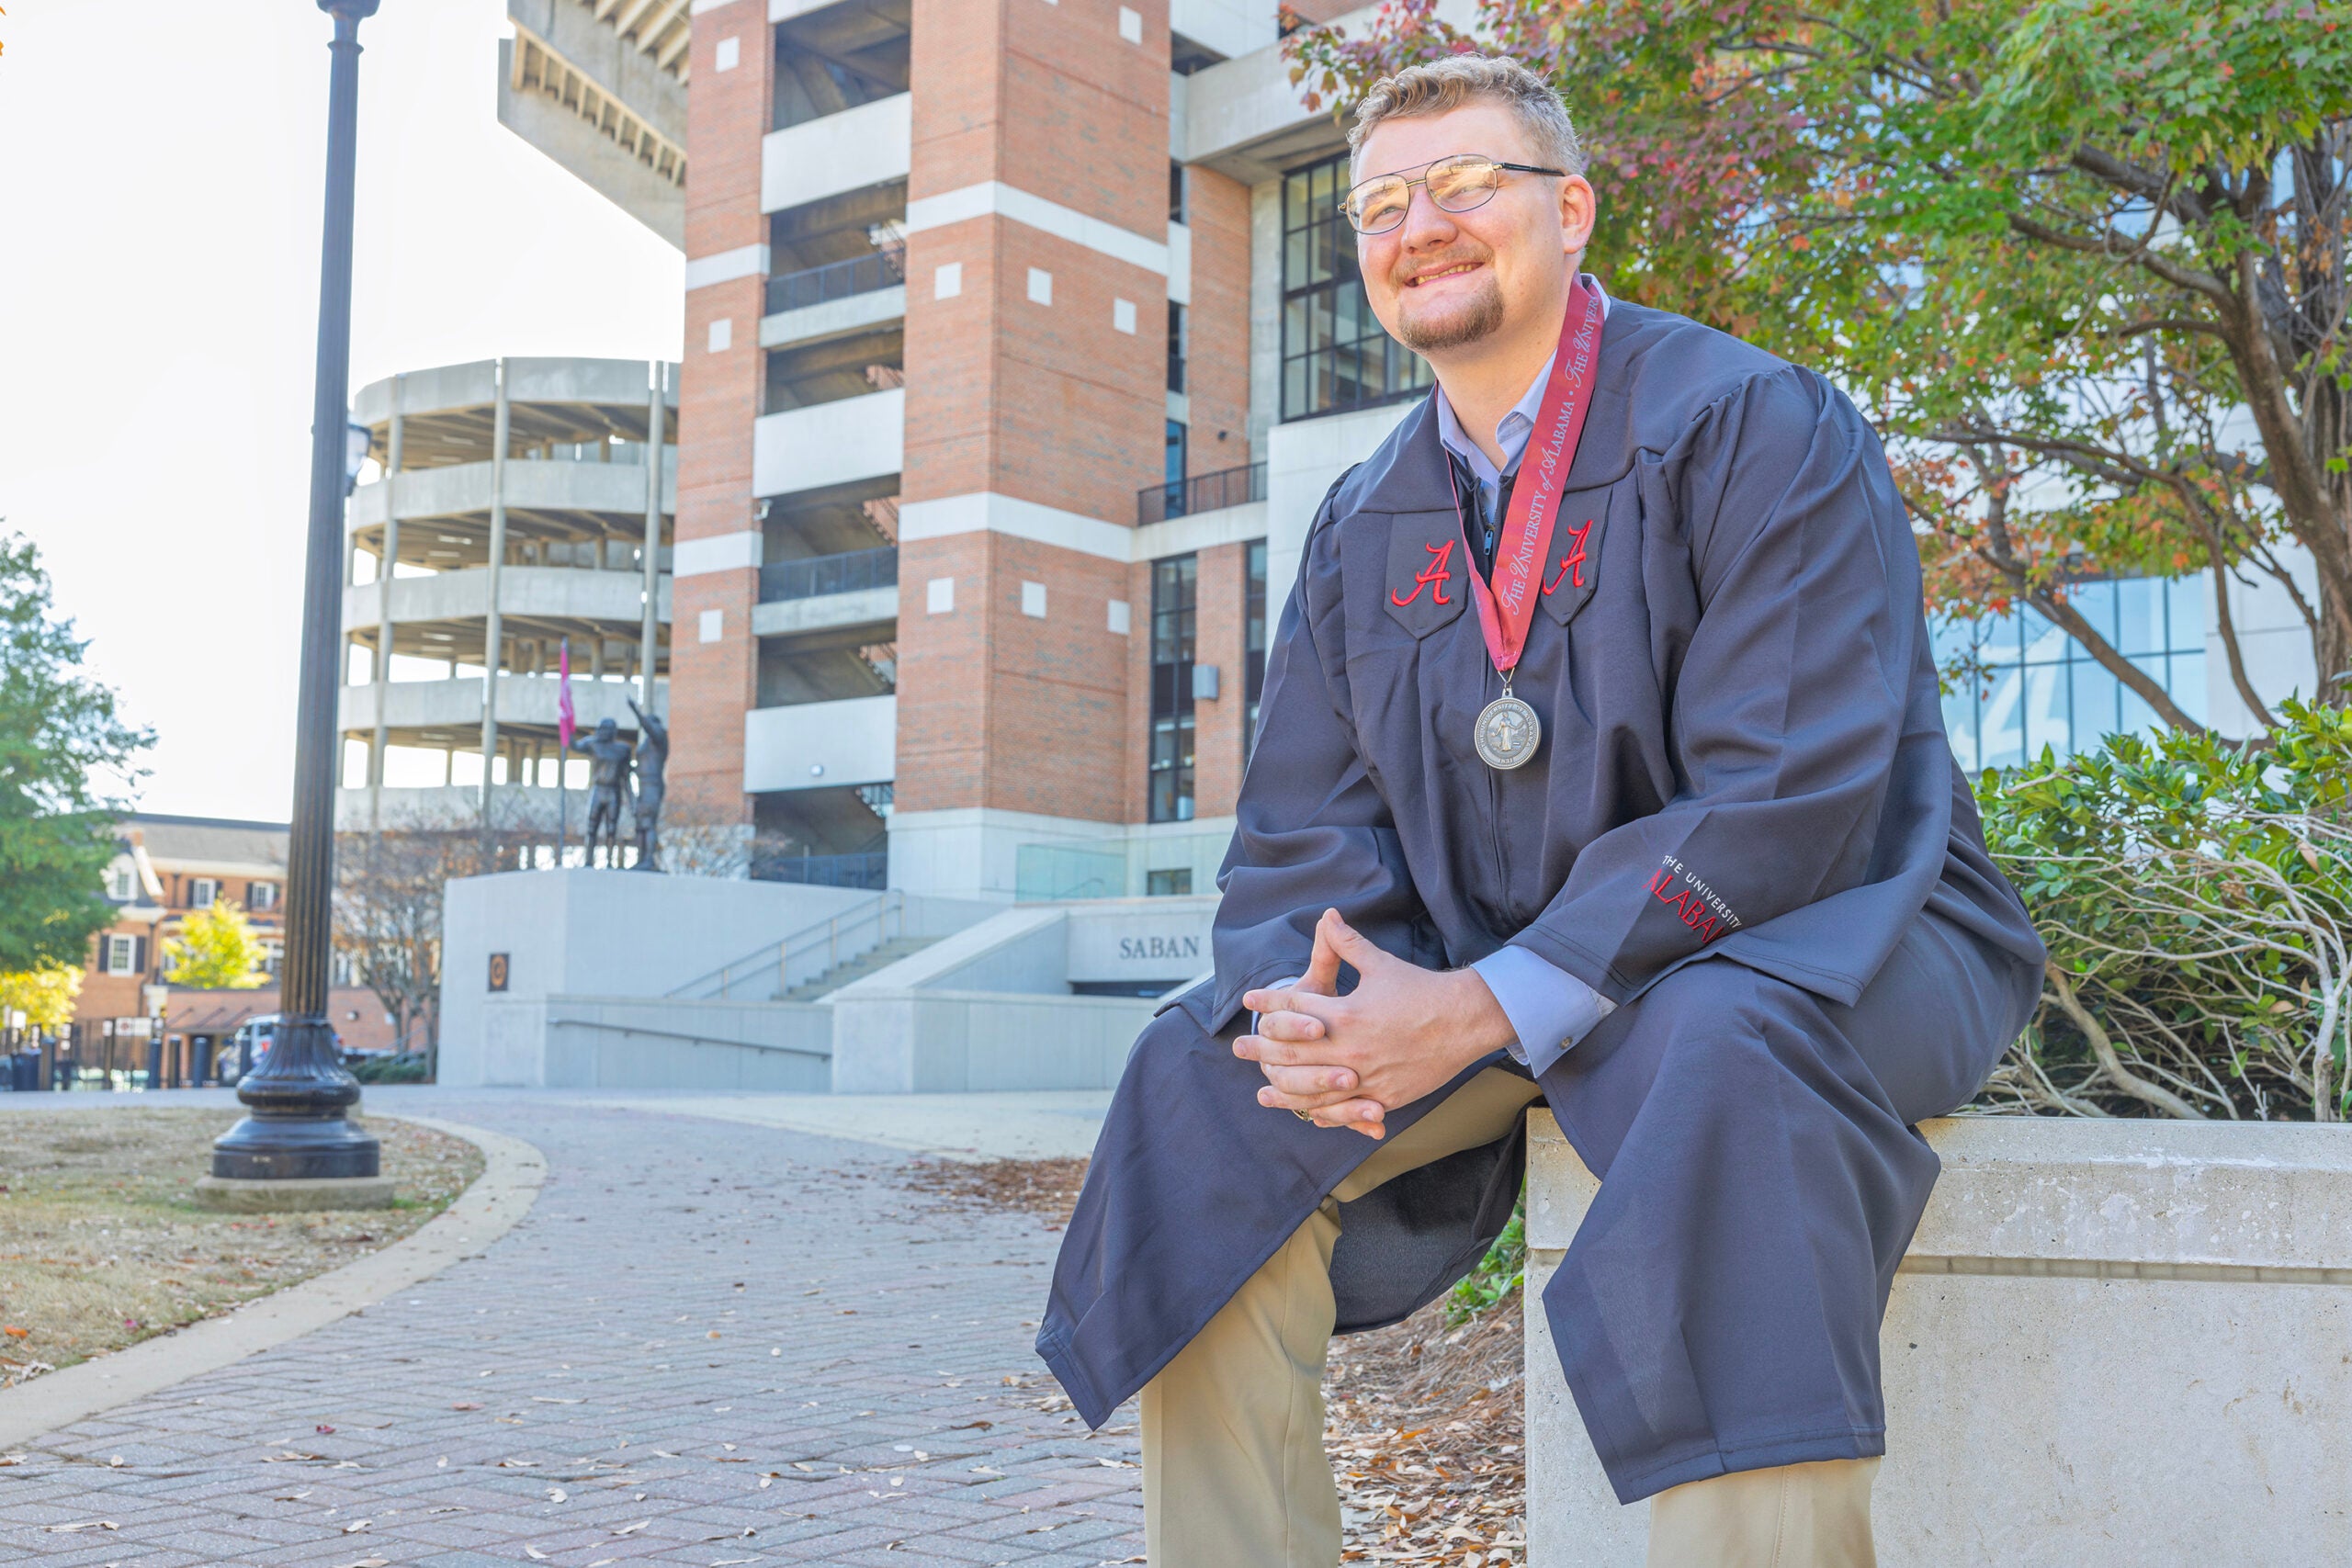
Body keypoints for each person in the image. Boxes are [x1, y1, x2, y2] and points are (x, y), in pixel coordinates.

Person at [1036, 55, 2046, 1568]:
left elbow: (1792, 792)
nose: (1417, 223)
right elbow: (1302, 830)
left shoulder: (1754, 423)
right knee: (1211, 1080)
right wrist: (1316, 1008)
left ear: (1571, 211)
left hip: (1831, 936)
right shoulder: (1364, 518)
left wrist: (1481, 1004)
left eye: (1463, 184)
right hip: (1497, 976)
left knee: (1720, 1054)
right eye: (1382, 202)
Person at [568, 716, 633, 868]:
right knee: (592, 826)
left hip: (613, 790)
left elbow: (626, 776)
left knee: (611, 828)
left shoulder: (623, 749)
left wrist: (632, 800)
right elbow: (575, 746)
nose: (603, 732)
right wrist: (567, 727)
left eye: (606, 729)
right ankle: (588, 860)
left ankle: (610, 861)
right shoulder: (593, 743)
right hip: (598, 789)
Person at [626, 696, 668, 872]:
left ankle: (649, 858)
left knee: (648, 823)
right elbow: (642, 767)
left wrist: (636, 711)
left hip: (652, 786)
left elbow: (650, 728)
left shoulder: (659, 738)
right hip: (642, 786)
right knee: (641, 826)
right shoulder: (647, 746)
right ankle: (642, 858)